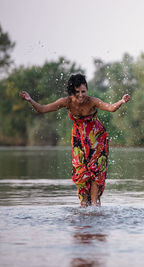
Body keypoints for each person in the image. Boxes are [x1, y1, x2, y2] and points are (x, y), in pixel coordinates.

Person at [19, 74, 131, 207]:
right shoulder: (66, 102)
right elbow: (42, 109)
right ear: (72, 91)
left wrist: (122, 101)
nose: (80, 95)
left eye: (83, 91)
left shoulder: (92, 101)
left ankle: (95, 205)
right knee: (80, 172)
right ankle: (84, 204)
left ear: (87, 90)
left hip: (97, 138)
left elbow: (111, 108)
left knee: (96, 171)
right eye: (77, 92)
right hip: (79, 139)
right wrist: (30, 100)